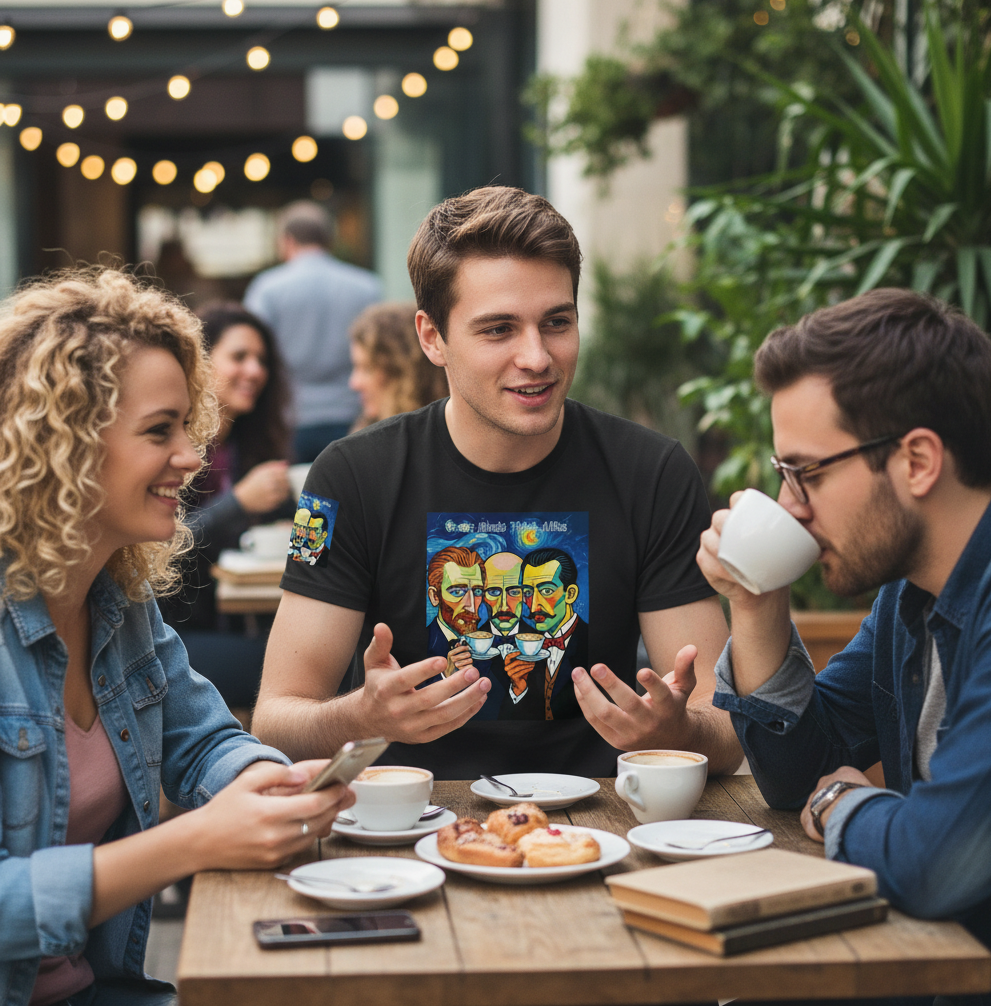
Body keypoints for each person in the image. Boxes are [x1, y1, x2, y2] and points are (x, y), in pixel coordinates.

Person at [252, 185, 742, 780]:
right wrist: (362, 716)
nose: (537, 356)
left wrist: (679, 730)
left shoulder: (653, 473)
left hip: (598, 822)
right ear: (432, 337)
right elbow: (275, 720)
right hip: (411, 828)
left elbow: (723, 730)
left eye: (556, 322)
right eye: (498, 329)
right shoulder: (351, 476)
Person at [0, 269, 352, 1006]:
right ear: (62, 445)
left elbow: (205, 738)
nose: (192, 457)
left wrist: (262, 780)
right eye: (160, 431)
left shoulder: (117, 600)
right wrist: (191, 841)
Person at [698, 288, 991, 1006]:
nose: (791, 508)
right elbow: (793, 780)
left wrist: (845, 802)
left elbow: (935, 863)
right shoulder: (911, 593)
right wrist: (754, 605)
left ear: (916, 461)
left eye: (807, 473)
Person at [159, 302, 292, 710]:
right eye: (239, 357)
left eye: (261, 360)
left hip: (230, 617)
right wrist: (238, 504)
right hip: (169, 629)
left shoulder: (247, 444)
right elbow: (160, 550)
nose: (254, 371)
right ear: (202, 361)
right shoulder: (174, 446)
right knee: (291, 669)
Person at [244, 201, 382, 462]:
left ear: (287, 241)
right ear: (329, 240)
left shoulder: (267, 288)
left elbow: (251, 347)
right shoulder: (367, 287)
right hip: (352, 413)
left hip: (290, 416)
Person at [348, 301, 449, 432]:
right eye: (356, 368)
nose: (354, 383)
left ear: (406, 373)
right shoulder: (362, 440)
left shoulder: (445, 438)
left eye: (367, 369)